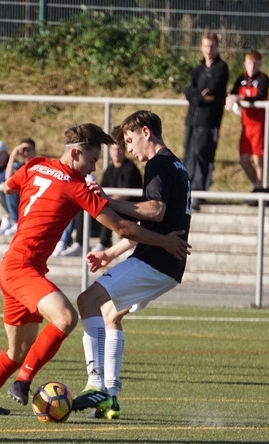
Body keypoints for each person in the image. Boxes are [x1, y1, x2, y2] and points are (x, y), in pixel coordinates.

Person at [0, 121, 189, 416]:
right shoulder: (76, 186)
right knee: (67, 317)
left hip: (12, 267)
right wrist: (163, 240)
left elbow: (8, 187)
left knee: (17, 351)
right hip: (23, 269)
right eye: (92, 160)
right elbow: (122, 227)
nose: (93, 169)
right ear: (76, 153)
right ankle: (23, 381)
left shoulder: (36, 165)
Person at [75, 110, 193, 419]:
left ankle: (95, 384)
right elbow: (151, 223)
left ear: (146, 132)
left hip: (155, 261)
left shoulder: (158, 164)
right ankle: (111, 397)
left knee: (87, 300)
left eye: (129, 140)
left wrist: (107, 201)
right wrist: (110, 254)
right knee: (110, 315)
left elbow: (155, 210)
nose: (128, 149)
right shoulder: (176, 165)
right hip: (166, 264)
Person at [183, 31, 228, 209]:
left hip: (209, 120)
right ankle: (186, 190)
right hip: (192, 119)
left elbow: (212, 91)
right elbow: (189, 91)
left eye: (212, 46)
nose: (209, 49)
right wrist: (198, 96)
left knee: (203, 155)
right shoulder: (198, 69)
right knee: (189, 155)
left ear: (216, 47)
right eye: (206, 46)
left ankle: (200, 192)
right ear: (201, 47)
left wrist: (196, 95)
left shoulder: (221, 68)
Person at [227, 50, 269, 197]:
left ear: (260, 64)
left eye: (255, 64)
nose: (252, 67)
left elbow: (260, 96)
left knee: (258, 160)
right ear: (244, 64)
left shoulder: (263, 78)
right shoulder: (242, 77)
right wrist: (230, 98)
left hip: (259, 125)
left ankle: (261, 192)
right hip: (246, 126)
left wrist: (241, 98)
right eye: (249, 63)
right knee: (244, 160)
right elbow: (232, 92)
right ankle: (257, 186)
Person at [90, 136, 142, 250]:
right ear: (109, 151)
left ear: (124, 150)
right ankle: (78, 242)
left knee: (107, 208)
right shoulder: (109, 169)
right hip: (114, 204)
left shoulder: (130, 168)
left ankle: (103, 243)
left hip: (131, 208)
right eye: (114, 149)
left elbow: (126, 194)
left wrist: (107, 201)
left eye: (119, 149)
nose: (116, 153)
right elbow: (102, 189)